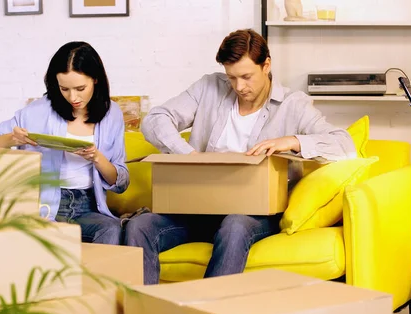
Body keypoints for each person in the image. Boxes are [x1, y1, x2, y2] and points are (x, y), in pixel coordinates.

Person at [124, 29, 356, 284]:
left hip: (253, 214)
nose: (239, 87)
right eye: (231, 77)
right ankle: (143, 313)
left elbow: (344, 144)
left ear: (266, 65)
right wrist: (189, 155)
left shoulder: (293, 104)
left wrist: (292, 141)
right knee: (139, 226)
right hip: (198, 206)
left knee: (234, 225)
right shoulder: (209, 87)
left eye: (246, 77)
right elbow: (155, 120)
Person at [0, 41, 129, 245]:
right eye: (64, 89)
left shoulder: (112, 115)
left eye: (80, 88)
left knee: (110, 229)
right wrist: (12, 139)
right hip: (45, 207)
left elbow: (121, 182)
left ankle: (96, 278)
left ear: (96, 79)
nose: (73, 97)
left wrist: (97, 158)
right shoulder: (37, 111)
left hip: (88, 207)